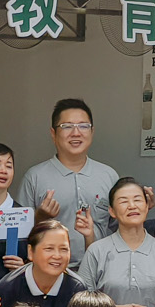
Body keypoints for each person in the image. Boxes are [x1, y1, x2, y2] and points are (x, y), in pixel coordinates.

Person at [16, 98, 118, 264]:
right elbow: (18, 233)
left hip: (102, 270)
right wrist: (39, 218)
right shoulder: (35, 177)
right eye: (67, 126)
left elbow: (119, 228)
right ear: (53, 133)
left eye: (83, 126)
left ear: (92, 131)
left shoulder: (108, 175)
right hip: (50, 272)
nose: (76, 133)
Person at [81, 178, 155, 307]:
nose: (132, 206)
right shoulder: (97, 251)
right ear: (112, 211)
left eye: (137, 200)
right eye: (123, 201)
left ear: (147, 206)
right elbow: (80, 302)